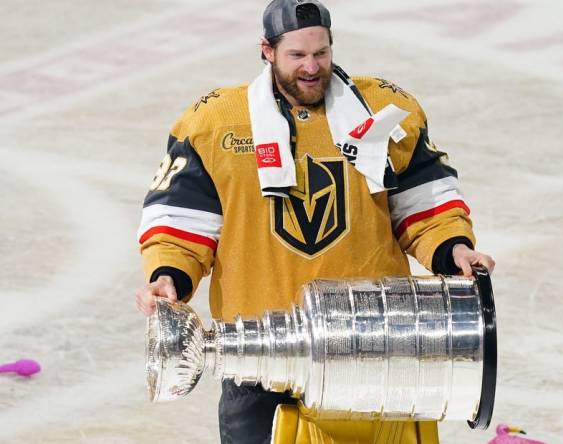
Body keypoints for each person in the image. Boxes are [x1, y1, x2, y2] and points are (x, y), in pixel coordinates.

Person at [134, 0, 495, 442]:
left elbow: (424, 202)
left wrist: (452, 248)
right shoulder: (215, 124)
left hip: (373, 345)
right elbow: (182, 222)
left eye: (321, 53)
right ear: (267, 50)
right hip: (258, 353)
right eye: (297, 56)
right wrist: (168, 276)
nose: (312, 67)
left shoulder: (383, 111)